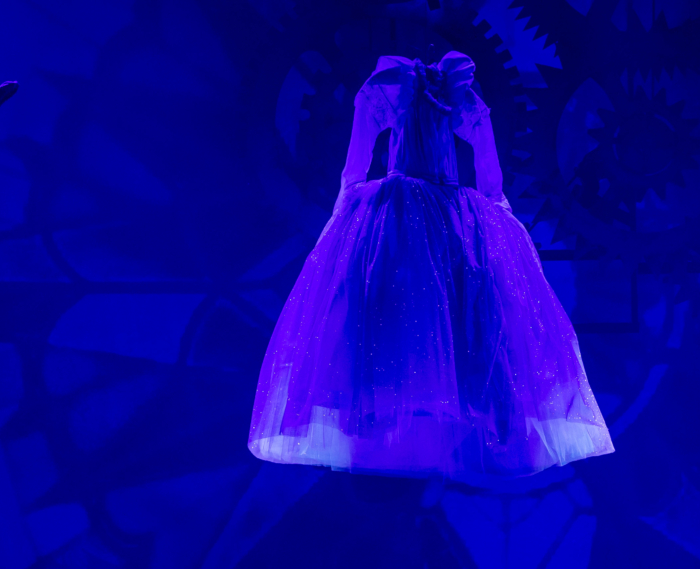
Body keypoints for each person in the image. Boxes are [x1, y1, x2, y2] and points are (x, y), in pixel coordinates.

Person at [249, 50, 613, 477]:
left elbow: (358, 165)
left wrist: (344, 207)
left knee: (411, 301)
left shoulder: (410, 89)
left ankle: (394, 408)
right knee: (439, 302)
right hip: (438, 205)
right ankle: (431, 407)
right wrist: (498, 209)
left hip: (415, 204)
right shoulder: (419, 90)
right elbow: (486, 170)